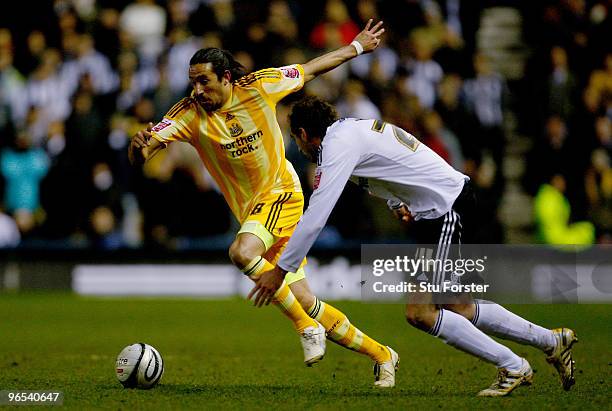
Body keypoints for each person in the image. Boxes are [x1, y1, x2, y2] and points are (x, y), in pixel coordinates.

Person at [128, 20, 399, 388]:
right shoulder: (189, 114)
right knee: (303, 298)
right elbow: (142, 153)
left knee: (241, 252)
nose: (197, 89)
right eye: (193, 81)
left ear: (225, 77)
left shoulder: (259, 86)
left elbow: (311, 67)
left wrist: (356, 47)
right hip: (253, 211)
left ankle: (306, 329)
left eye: (203, 81)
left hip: (281, 194)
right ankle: (383, 354)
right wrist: (138, 144)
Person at [250, 96, 578, 397]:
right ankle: (550, 341)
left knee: (422, 312)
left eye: (295, 137)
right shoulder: (352, 132)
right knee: (455, 304)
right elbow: (386, 168)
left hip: (445, 208)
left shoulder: (337, 148)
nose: (298, 144)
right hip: (437, 209)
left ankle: (514, 366)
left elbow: (317, 215)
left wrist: (280, 270)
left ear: (305, 133)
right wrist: (397, 202)